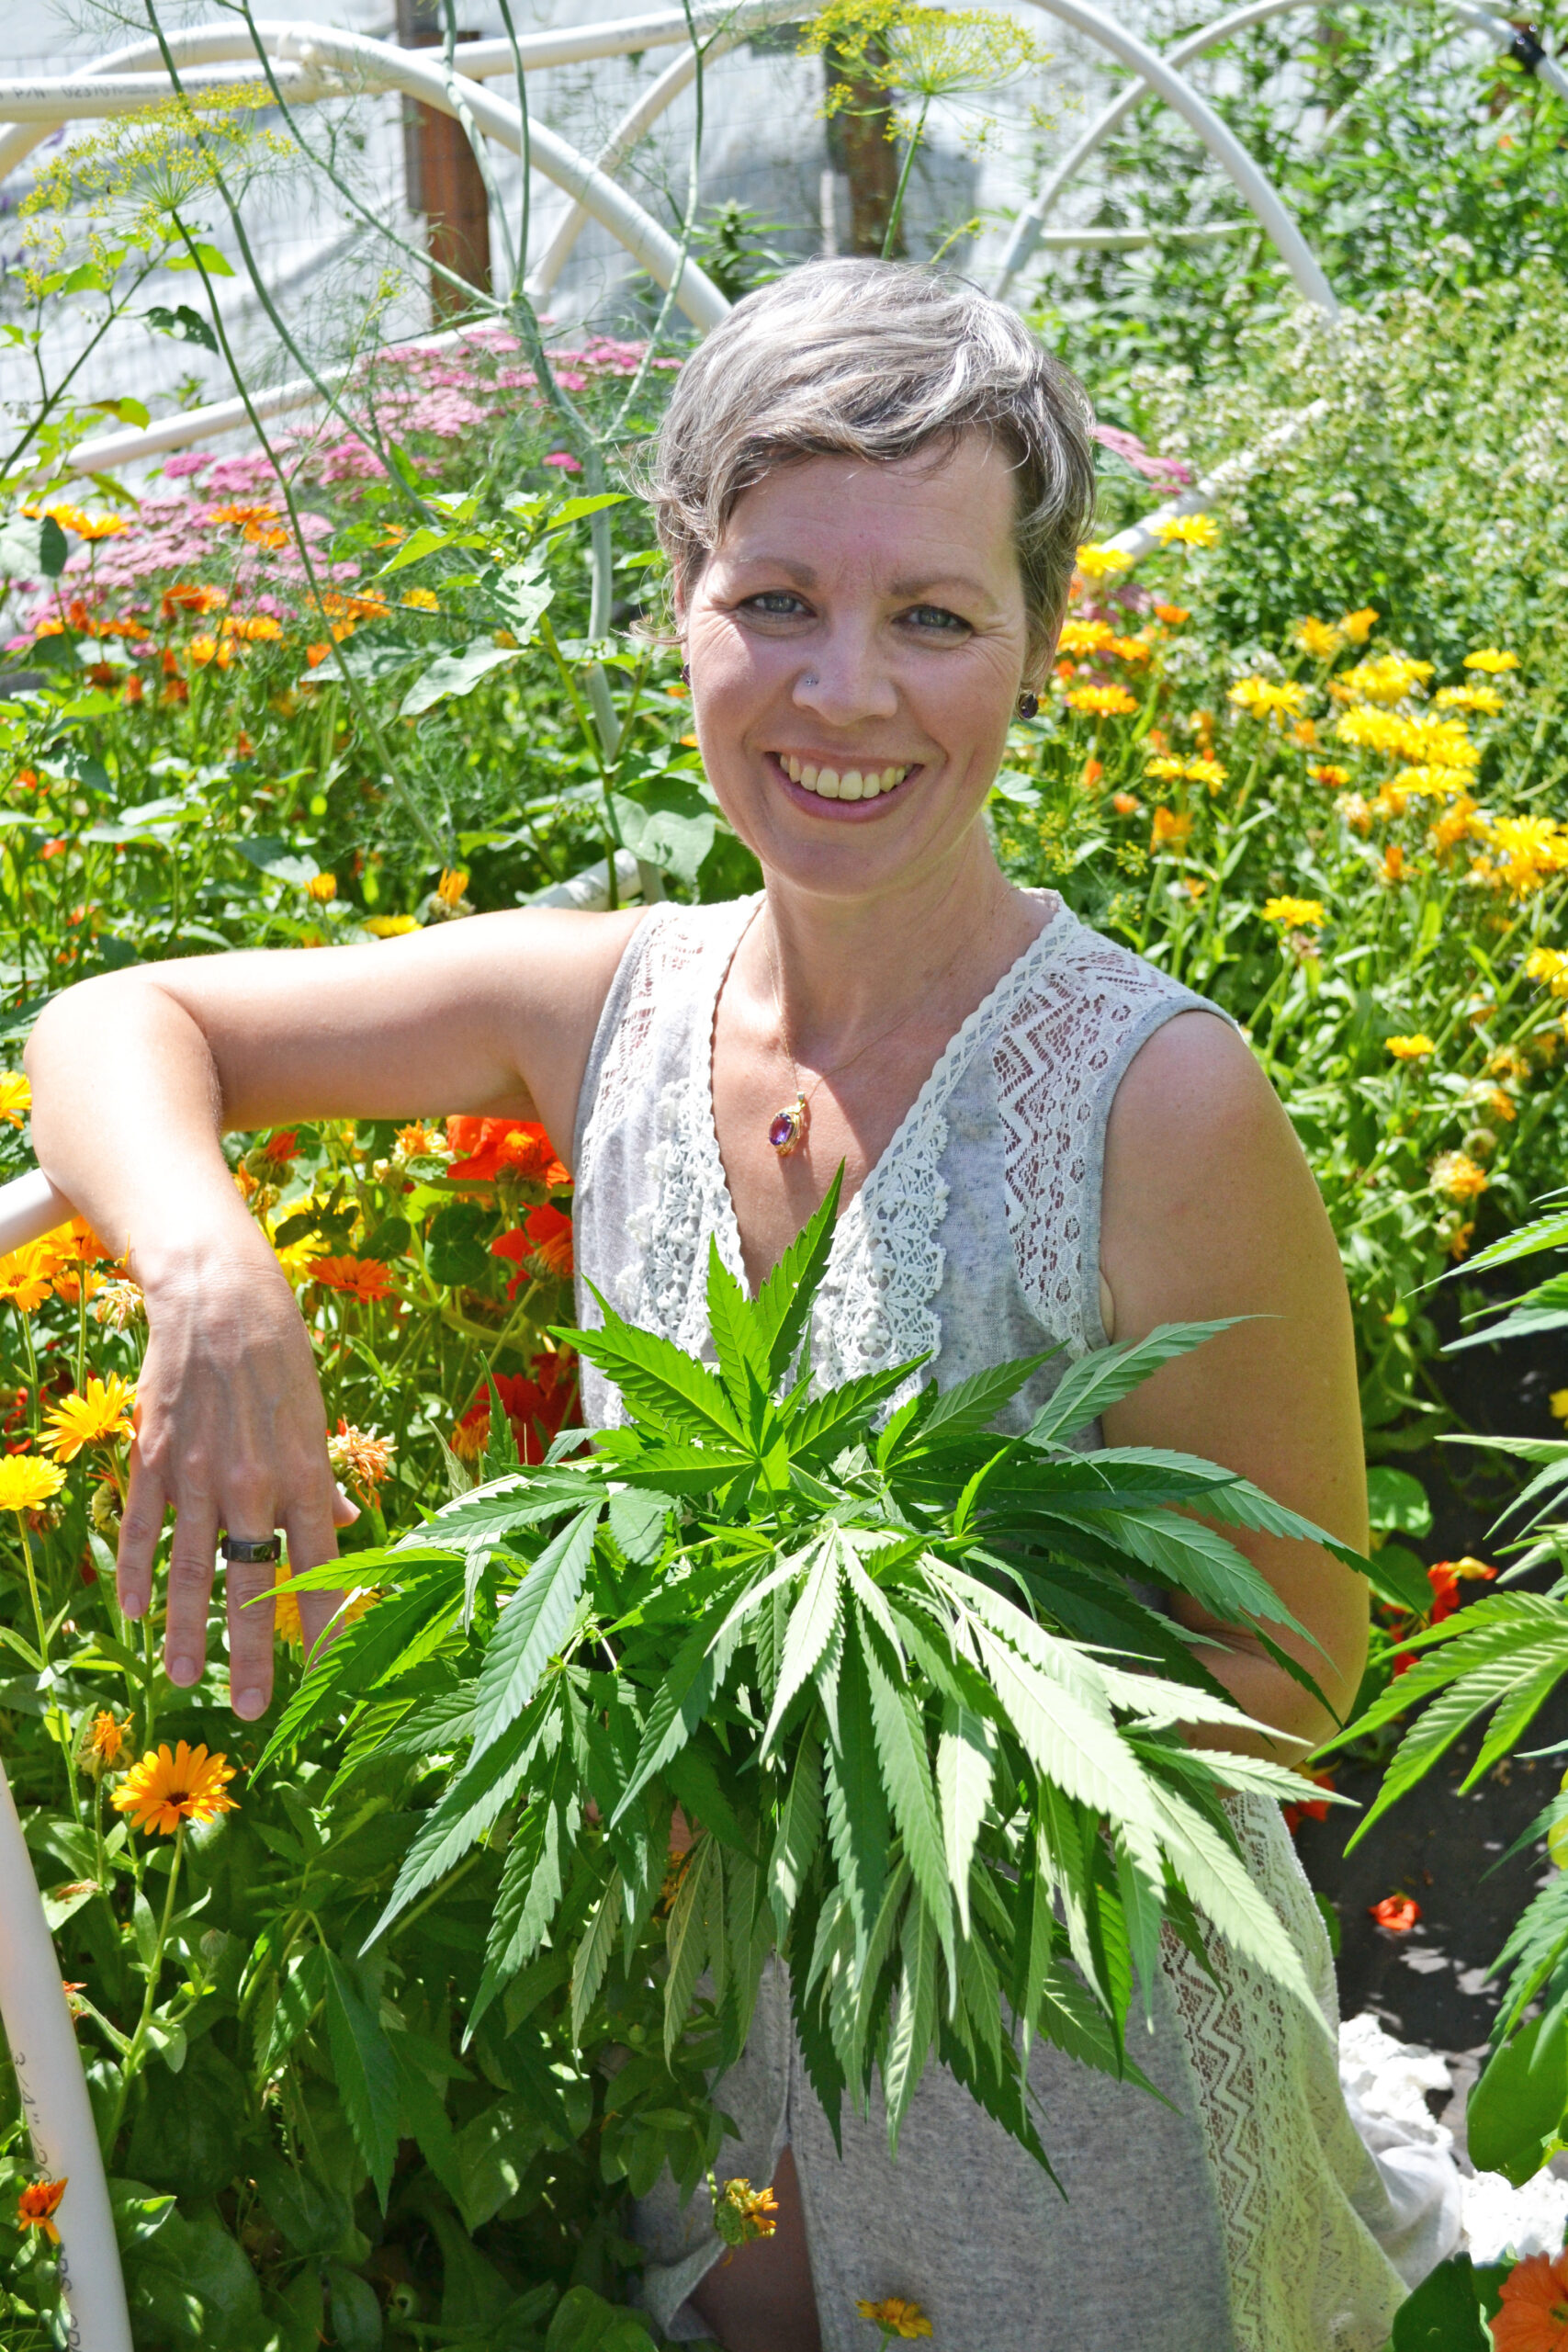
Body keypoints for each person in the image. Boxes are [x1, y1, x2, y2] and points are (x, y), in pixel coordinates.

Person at [26, 259, 1455, 2351]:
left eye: (933, 616)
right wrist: (209, 1266)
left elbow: (1285, 1670)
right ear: (676, 604)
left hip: (1075, 2059)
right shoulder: (602, 999)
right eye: (774, 597)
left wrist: (802, 1688)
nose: (842, 690)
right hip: (703, 2042)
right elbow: (116, 1012)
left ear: (1040, 654)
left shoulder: (1154, 1095)